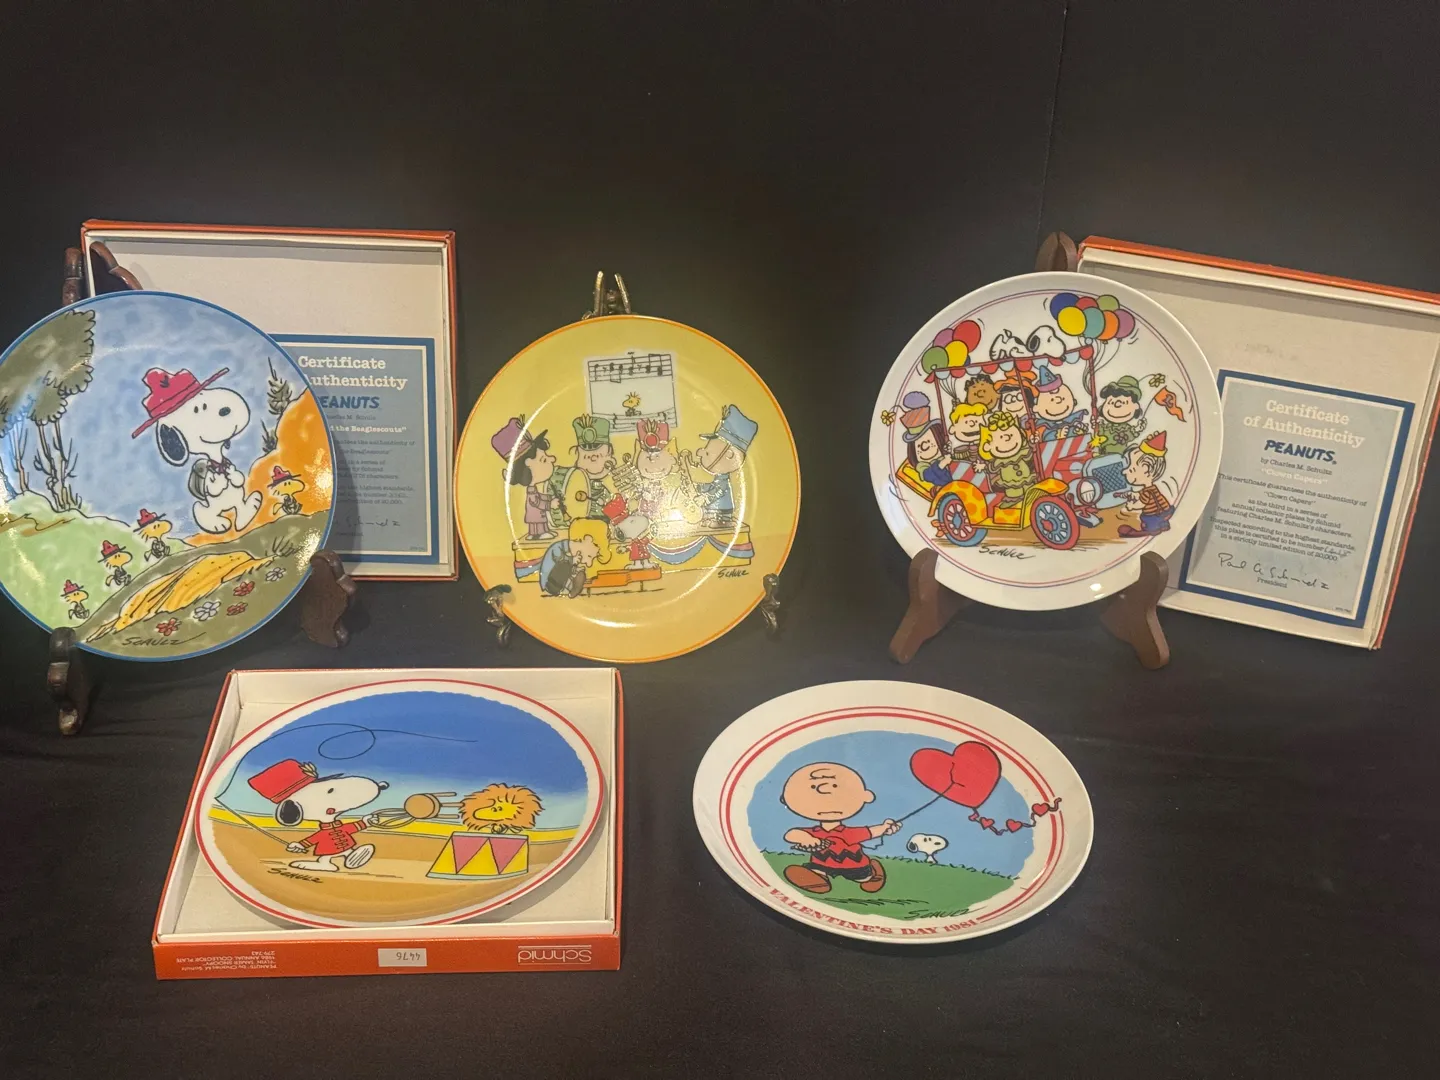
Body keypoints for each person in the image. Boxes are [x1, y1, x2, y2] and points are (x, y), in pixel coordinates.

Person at [779, 762, 900, 895]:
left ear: (866, 796)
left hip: (854, 865)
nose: (825, 792)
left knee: (863, 877)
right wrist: (806, 838)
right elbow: (791, 834)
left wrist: (884, 828)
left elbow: (870, 832)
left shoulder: (848, 833)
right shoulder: (815, 833)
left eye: (834, 786)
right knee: (816, 870)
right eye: (813, 787)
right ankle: (817, 881)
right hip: (821, 864)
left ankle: (874, 873)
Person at [492, 417, 559, 540]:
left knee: (538, 524)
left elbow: (539, 497)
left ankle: (536, 534)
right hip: (536, 516)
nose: (553, 459)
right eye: (543, 459)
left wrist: (549, 497)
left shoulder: (533, 489)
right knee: (538, 525)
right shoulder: (531, 491)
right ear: (528, 463)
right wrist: (550, 504)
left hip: (536, 515)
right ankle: (538, 534)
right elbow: (536, 502)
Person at [694, 404, 758, 530]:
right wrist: (700, 487)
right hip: (712, 509)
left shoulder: (723, 480)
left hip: (722, 509)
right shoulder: (719, 477)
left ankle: (723, 521)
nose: (700, 452)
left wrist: (706, 497)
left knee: (717, 520)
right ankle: (712, 519)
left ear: (729, 455)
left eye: (708, 451)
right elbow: (713, 486)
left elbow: (719, 491)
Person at [1118, 431, 1174, 537]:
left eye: (1132, 469)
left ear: (1145, 468)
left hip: (1154, 516)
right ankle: (1163, 525)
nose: (1124, 471)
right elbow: (1146, 498)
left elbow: (1141, 503)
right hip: (1166, 511)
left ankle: (1152, 529)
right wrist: (1134, 495)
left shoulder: (1146, 492)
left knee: (1147, 519)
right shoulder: (1153, 488)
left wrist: (1132, 506)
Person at [538, 518, 611, 597]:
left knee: (576, 570)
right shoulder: (558, 547)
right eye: (589, 556)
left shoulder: (572, 552)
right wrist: (572, 560)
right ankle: (570, 586)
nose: (589, 564)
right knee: (565, 565)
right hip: (549, 583)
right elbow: (558, 561)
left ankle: (573, 588)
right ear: (587, 539)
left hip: (562, 580)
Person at [978, 411, 1037, 507]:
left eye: (1011, 435)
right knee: (1014, 494)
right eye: (1001, 437)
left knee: (1031, 491)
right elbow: (992, 468)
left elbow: (1030, 455)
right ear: (987, 446)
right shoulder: (999, 461)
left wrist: (1033, 443)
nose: (1007, 439)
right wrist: (983, 466)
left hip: (1027, 479)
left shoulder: (1022, 452)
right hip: (1010, 483)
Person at [1094, 375, 1146, 456]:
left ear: (1136, 406)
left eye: (1124, 403)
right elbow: (1098, 433)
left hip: (1118, 456)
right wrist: (1096, 424)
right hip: (1101, 456)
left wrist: (1137, 429)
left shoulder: (1126, 429)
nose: (1116, 406)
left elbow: (1129, 435)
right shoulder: (1106, 427)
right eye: (1111, 402)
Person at [1030, 368, 1088, 440]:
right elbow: (1047, 438)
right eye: (1051, 400)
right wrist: (1058, 436)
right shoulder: (1048, 427)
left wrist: (1079, 430)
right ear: (1036, 408)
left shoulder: (1072, 421)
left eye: (1063, 398)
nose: (1058, 401)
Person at [947, 401, 986, 471]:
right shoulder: (962, 450)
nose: (972, 424)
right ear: (952, 429)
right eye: (966, 422)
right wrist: (948, 452)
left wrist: (983, 465)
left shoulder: (985, 446)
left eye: (976, 421)